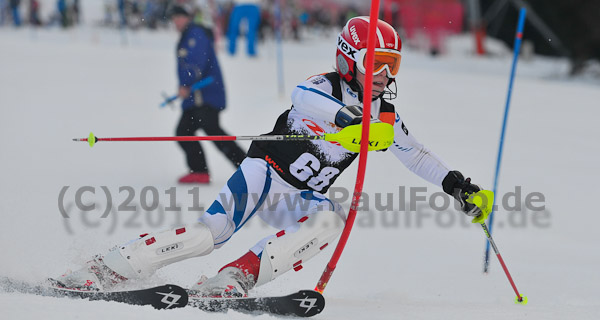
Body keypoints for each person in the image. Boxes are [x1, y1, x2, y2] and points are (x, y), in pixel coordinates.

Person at [51, 17, 484, 297]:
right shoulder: (326, 86)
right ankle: (107, 269)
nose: (387, 76)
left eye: (393, 66)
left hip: (301, 196)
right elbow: (303, 97)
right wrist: (346, 119)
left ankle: (236, 276)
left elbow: (417, 155)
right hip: (264, 173)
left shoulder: (384, 116)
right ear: (349, 61)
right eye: (378, 64)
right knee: (208, 236)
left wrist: (458, 186)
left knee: (332, 217)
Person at [170, 5, 246, 184]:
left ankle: (249, 168)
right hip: (194, 97)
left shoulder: (195, 34)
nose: (176, 23)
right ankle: (199, 171)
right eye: (174, 20)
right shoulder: (188, 35)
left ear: (187, 18)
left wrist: (186, 84)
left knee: (211, 130)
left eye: (178, 18)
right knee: (184, 131)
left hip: (206, 95)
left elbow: (197, 63)